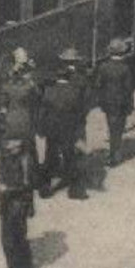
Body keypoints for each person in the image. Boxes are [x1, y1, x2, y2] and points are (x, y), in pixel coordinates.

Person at [37, 53, 88, 200]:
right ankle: (75, 191)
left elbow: (43, 113)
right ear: (67, 76)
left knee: (49, 158)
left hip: (52, 132)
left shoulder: (49, 92)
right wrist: (79, 131)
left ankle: (45, 190)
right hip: (68, 131)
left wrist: (41, 130)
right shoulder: (74, 92)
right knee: (70, 159)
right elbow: (79, 113)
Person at [0, 137, 38, 268]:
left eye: (14, 141)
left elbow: (27, 186)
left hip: (19, 203)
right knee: (6, 238)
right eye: (8, 141)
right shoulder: (6, 156)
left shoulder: (26, 160)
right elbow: (0, 174)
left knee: (18, 237)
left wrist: (7, 189)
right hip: (6, 202)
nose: (10, 145)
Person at [95, 38, 135, 166]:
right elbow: (129, 88)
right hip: (122, 103)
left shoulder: (103, 67)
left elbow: (98, 84)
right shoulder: (125, 68)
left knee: (112, 127)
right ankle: (115, 154)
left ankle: (113, 154)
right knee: (119, 128)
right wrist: (130, 104)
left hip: (108, 103)